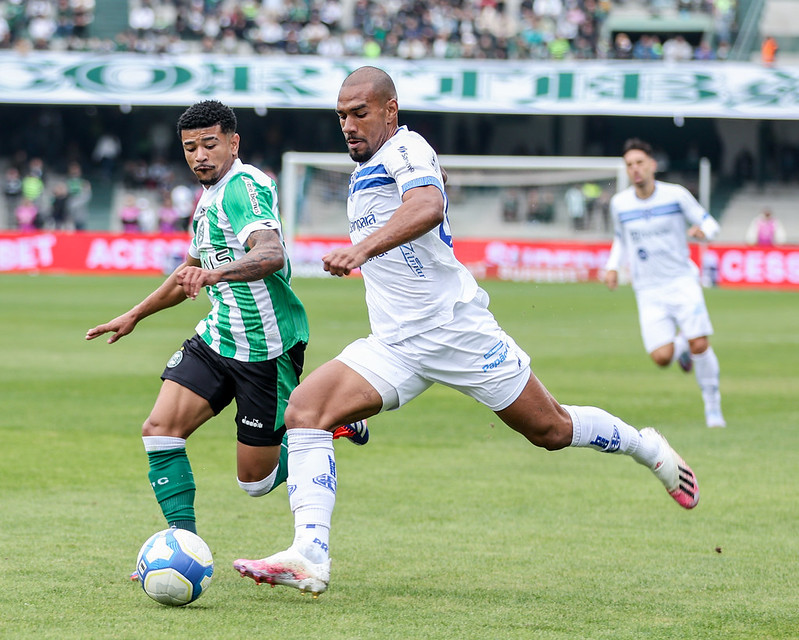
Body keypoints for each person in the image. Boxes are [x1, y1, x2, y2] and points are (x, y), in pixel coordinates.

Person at [232, 66, 700, 597]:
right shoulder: (370, 167)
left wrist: (362, 250)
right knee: (306, 411)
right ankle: (310, 555)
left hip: (456, 332)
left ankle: (649, 449)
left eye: (359, 113)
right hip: (395, 343)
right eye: (341, 115)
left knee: (552, 430)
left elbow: (427, 205)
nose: (348, 125)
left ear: (390, 110)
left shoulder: (407, 149)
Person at [85, 101, 367, 571]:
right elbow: (191, 271)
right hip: (218, 337)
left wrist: (216, 278)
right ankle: (183, 548)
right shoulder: (207, 197)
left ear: (234, 143)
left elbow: (271, 253)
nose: (199, 156)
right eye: (190, 147)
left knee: (254, 482)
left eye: (210, 144)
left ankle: (329, 424)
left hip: (267, 346)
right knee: (159, 431)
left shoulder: (245, 186)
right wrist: (134, 314)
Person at [603, 138, 726, 429]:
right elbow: (620, 239)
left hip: (681, 281)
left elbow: (711, 223)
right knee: (661, 357)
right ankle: (680, 345)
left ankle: (713, 408)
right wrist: (612, 267)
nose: (635, 169)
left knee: (700, 343)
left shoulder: (676, 195)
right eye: (629, 164)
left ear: (652, 165)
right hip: (647, 289)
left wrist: (702, 231)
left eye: (640, 163)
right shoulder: (620, 204)